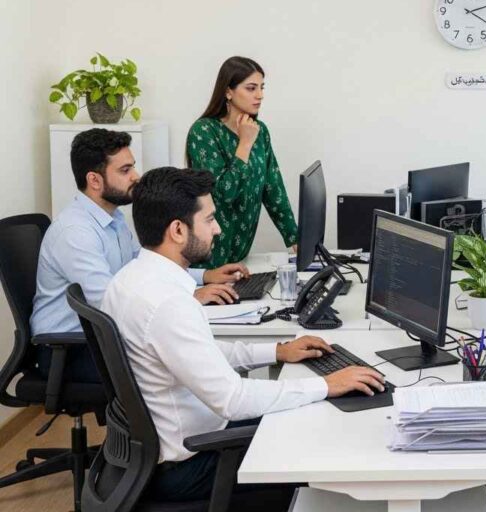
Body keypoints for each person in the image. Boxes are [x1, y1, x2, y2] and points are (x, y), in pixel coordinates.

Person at [100, 167, 385, 505]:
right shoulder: (169, 305)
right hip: (191, 462)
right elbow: (233, 400)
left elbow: (200, 353)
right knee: (317, 432)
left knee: (304, 407)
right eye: (209, 220)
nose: (217, 229)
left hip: (160, 449)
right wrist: (327, 384)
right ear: (178, 230)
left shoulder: (128, 280)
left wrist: (277, 352)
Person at [30, 129, 247, 383]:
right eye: (125, 170)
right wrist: (188, 297)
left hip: (101, 339)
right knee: (178, 364)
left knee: (191, 354)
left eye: (133, 167)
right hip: (70, 351)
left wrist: (206, 276)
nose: (136, 177)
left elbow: (145, 266)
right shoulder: (75, 233)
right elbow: (111, 303)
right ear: (95, 180)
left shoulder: (113, 218)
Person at [186, 56, 298, 268]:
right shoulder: (204, 132)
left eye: (262, 88)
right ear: (228, 91)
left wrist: (295, 236)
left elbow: (273, 188)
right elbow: (223, 193)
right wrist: (245, 144)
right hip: (208, 259)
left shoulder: (260, 131)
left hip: (240, 256)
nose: (260, 95)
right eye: (251, 88)